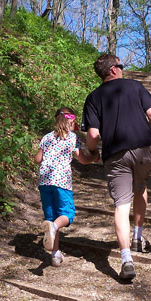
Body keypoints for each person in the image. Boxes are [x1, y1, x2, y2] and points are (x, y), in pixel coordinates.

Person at [82, 53, 151, 281]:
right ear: (113, 69)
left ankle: (126, 258)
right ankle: (138, 237)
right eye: (121, 66)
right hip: (144, 148)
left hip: (115, 154)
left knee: (121, 205)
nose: (123, 69)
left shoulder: (93, 97)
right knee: (141, 185)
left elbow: (93, 134)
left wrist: (93, 152)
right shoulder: (135, 86)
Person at [34, 107, 98, 266]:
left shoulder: (47, 137)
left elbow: (37, 159)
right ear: (70, 121)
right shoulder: (72, 138)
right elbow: (82, 159)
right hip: (61, 181)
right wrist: (94, 158)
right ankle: (55, 227)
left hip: (44, 181)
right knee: (67, 214)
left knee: (51, 217)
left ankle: (55, 255)